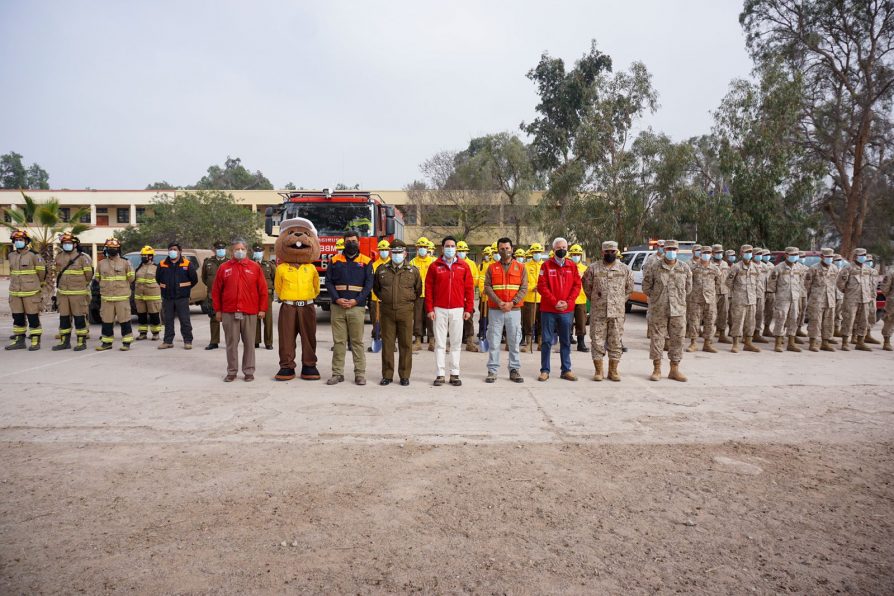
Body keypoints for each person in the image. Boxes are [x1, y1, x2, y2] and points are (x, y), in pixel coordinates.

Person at [211, 239, 268, 382]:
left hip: (250, 312)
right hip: (229, 312)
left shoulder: (255, 267)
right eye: (237, 249)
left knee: (249, 343)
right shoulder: (224, 268)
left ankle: (249, 371)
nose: (240, 251)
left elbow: (263, 290)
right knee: (231, 343)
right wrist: (218, 310)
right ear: (232, 251)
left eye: (242, 249)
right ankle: (232, 371)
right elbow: (216, 291)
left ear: (247, 251)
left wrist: (262, 309)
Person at [273, 217, 321, 381]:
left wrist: (308, 298)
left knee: (309, 337)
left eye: (305, 233)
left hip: (307, 305)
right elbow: (278, 288)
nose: (298, 235)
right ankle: (286, 366)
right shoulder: (281, 268)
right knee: (286, 337)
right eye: (291, 233)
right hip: (288, 306)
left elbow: (316, 288)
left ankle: (309, 365)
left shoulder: (312, 268)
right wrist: (289, 298)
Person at [325, 230, 374, 385]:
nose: (351, 243)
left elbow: (368, 285)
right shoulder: (334, 260)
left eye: (353, 241)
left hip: (356, 307)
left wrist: (356, 301)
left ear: (359, 243)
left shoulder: (366, 261)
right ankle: (337, 373)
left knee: (357, 342)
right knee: (339, 342)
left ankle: (360, 374)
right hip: (338, 307)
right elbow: (328, 282)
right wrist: (337, 299)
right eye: (348, 241)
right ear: (344, 243)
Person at [425, 236, 475, 386]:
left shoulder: (463, 266)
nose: (450, 248)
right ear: (442, 248)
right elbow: (428, 289)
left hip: (457, 309)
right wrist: (429, 308)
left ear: (456, 249)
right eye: (447, 246)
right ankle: (440, 374)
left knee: (456, 343)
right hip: (439, 310)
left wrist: (468, 309)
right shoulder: (434, 266)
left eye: (453, 246)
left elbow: (469, 289)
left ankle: (454, 373)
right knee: (440, 343)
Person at [581, 240, 633, 382]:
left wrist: (619, 301)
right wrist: (596, 300)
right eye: (607, 251)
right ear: (602, 252)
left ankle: (613, 371)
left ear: (617, 252)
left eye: (613, 251)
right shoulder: (593, 269)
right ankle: (599, 371)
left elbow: (629, 288)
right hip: (598, 312)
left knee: (616, 341)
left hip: (617, 312)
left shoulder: (624, 269)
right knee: (597, 341)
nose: (610, 254)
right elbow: (587, 287)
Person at [373, 240, 421, 385]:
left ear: (405, 253)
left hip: (405, 311)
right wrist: (385, 298)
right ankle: (387, 375)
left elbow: (418, 290)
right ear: (390, 253)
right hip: (387, 312)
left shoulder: (413, 271)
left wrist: (408, 301)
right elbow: (377, 289)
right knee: (387, 344)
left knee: (406, 344)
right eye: (394, 252)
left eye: (399, 252)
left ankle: (404, 375)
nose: (397, 255)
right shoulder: (381, 270)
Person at [642, 239, 691, 382]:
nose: (671, 252)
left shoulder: (684, 267)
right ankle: (657, 369)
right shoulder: (654, 266)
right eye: (668, 249)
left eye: (673, 249)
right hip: (659, 309)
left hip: (678, 309)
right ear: (664, 250)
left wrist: (678, 299)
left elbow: (688, 287)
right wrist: (657, 298)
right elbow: (646, 286)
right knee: (657, 339)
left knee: (678, 339)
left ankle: (674, 369)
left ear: (678, 251)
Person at [536, 238, 582, 382]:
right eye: (558, 248)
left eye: (564, 247)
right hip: (549, 310)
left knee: (566, 340)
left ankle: (566, 370)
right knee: (547, 341)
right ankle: (545, 370)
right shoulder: (546, 266)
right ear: (553, 249)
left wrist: (567, 303)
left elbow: (577, 286)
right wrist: (555, 302)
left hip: (566, 310)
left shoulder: (572, 266)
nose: (561, 250)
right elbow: (541, 287)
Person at [483, 237, 527, 383]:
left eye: (507, 248)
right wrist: (499, 302)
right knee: (494, 341)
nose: (505, 251)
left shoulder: (521, 268)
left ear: (512, 249)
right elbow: (487, 287)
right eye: (502, 249)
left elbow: (523, 288)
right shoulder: (491, 267)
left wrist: (512, 303)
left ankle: (514, 370)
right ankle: (492, 371)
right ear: (498, 250)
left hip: (514, 310)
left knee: (514, 341)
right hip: (496, 309)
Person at [5, 230, 46, 351]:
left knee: (33, 317)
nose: (18, 242)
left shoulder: (34, 255)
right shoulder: (11, 255)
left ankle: (35, 340)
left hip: (31, 293)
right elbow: (12, 272)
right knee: (17, 318)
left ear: (26, 241)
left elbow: (41, 273)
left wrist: (36, 285)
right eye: (16, 240)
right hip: (15, 293)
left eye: (21, 240)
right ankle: (19, 340)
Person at [52, 232, 93, 351]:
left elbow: (89, 275)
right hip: (63, 294)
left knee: (79, 318)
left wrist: (80, 286)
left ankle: (81, 342)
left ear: (75, 244)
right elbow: (57, 272)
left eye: (69, 243)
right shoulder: (59, 256)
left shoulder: (82, 258)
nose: (66, 245)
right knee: (64, 318)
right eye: (64, 243)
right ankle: (65, 342)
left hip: (78, 294)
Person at [155, 242, 198, 349]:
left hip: (182, 298)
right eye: (170, 249)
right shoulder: (162, 264)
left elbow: (194, 280)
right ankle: (168, 341)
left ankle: (188, 341)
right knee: (168, 320)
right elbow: (158, 279)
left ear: (180, 251)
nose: (172, 251)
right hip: (167, 298)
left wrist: (184, 289)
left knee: (185, 320)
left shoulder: (187, 264)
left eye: (175, 249)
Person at [94, 238, 135, 351]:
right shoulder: (101, 263)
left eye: (114, 248)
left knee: (125, 320)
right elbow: (97, 278)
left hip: (122, 298)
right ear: (106, 249)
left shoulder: (126, 262)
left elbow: (131, 278)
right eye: (110, 248)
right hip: (107, 298)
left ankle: (126, 343)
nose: (112, 250)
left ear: (118, 249)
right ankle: (106, 343)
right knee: (106, 321)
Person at [768, 246, 806, 353]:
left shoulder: (800, 268)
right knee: (781, 319)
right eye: (792, 255)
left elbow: (802, 283)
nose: (795, 257)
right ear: (786, 255)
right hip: (782, 299)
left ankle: (791, 343)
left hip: (795, 298)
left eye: (796, 254)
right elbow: (772, 284)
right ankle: (778, 343)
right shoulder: (778, 268)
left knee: (794, 319)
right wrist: (777, 296)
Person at [837, 248, 876, 351]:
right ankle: (845, 342)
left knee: (863, 320)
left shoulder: (868, 269)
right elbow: (840, 283)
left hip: (865, 299)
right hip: (851, 299)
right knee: (848, 320)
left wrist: (870, 295)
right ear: (855, 257)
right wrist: (848, 293)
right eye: (861, 255)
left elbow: (871, 284)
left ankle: (860, 342)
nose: (863, 257)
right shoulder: (848, 268)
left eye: (865, 255)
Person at [726, 244, 762, 353]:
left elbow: (757, 283)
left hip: (751, 299)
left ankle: (748, 343)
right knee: (738, 322)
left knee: (750, 322)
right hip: (739, 300)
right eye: (746, 252)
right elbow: (728, 282)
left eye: (750, 252)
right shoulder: (736, 267)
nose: (748, 254)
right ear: (741, 253)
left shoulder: (755, 268)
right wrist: (737, 292)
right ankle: (735, 344)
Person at [686, 245, 721, 353]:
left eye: (708, 253)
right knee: (694, 321)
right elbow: (688, 283)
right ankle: (693, 343)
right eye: (704, 253)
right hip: (695, 300)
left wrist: (714, 297)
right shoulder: (693, 269)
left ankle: (707, 344)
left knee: (710, 321)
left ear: (711, 254)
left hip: (710, 300)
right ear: (700, 254)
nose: (706, 255)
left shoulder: (715, 269)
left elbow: (718, 284)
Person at [805, 248, 839, 352]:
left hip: (830, 299)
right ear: (822, 257)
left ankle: (825, 343)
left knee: (828, 322)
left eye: (831, 257)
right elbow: (807, 285)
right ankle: (812, 343)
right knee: (815, 321)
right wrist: (813, 295)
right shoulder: (813, 268)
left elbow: (835, 284)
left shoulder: (834, 268)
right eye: (827, 257)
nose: (830, 259)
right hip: (817, 300)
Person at [202, 241, 228, 350]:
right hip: (213, 295)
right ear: (215, 250)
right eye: (218, 249)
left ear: (225, 250)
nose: (220, 250)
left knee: (228, 320)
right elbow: (204, 278)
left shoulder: (230, 262)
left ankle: (230, 342)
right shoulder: (208, 262)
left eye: (222, 249)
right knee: (214, 318)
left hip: (227, 296)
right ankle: (214, 341)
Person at [410, 237, 435, 352]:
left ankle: (432, 341)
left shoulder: (433, 262)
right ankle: (418, 341)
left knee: (431, 318)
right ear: (417, 248)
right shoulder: (413, 262)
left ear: (427, 248)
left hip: (431, 295)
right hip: (417, 295)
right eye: (420, 247)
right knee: (417, 318)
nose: (422, 249)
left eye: (424, 247)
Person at [132, 246, 161, 341]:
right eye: (142, 255)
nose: (143, 257)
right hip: (140, 296)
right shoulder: (139, 268)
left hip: (153, 296)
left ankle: (155, 333)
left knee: (154, 315)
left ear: (151, 256)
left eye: (145, 255)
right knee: (141, 315)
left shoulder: (157, 268)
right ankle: (143, 333)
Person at [456, 240, 481, 352]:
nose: (461, 253)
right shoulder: (453, 262)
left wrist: (467, 285)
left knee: (469, 318)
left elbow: (475, 279)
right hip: (456, 295)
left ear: (466, 252)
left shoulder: (471, 264)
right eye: (459, 250)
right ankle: (455, 342)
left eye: (463, 251)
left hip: (467, 294)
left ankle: (470, 341)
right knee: (455, 319)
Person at [521, 242, 545, 352]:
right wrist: (532, 287)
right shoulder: (525, 266)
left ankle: (540, 343)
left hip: (543, 298)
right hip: (529, 298)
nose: (537, 254)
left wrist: (540, 287)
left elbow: (547, 281)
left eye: (539, 252)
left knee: (541, 321)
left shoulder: (545, 265)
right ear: (531, 253)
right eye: (535, 252)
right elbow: (523, 281)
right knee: (528, 321)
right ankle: (528, 342)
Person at [367, 239, 390, 352]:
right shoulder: (374, 265)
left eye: (386, 249)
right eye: (382, 250)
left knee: (389, 322)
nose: (384, 252)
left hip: (389, 299)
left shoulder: (393, 264)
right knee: (375, 321)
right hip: (375, 298)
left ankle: (389, 343)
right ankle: (376, 339)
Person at [252, 243, 276, 350]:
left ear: (263, 252)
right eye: (256, 251)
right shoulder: (249, 264)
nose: (258, 253)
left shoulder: (269, 265)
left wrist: (271, 291)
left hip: (267, 296)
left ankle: (268, 342)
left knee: (268, 319)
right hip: (253, 296)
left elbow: (275, 279)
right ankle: (256, 341)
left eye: (260, 251)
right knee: (254, 319)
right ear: (253, 252)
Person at [569, 244, 589, 353]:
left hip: (581, 299)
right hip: (569, 299)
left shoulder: (585, 269)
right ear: (570, 255)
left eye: (578, 254)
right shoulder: (567, 267)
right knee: (567, 322)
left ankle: (581, 343)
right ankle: (567, 341)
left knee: (581, 322)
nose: (576, 256)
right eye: (574, 254)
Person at [711, 244, 732, 344]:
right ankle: (709, 337)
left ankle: (722, 334)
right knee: (711, 315)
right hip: (713, 293)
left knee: (724, 314)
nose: (719, 254)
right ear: (712, 253)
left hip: (724, 291)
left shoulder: (725, 264)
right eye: (717, 252)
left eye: (720, 252)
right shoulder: (709, 264)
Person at [879, 268, 893, 351]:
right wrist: (890, 296)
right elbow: (884, 288)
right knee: (890, 320)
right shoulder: (891, 272)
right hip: (893, 301)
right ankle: (886, 342)